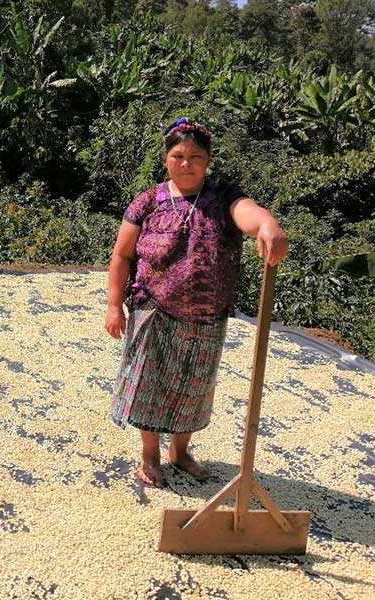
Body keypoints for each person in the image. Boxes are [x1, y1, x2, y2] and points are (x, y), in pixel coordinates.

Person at [104, 117, 288, 488]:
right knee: (149, 386)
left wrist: (267, 224)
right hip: (152, 308)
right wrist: (113, 304)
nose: (186, 163)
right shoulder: (147, 202)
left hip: (206, 316)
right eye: (178, 155)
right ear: (166, 157)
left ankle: (181, 451)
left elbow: (247, 213)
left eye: (195, 156)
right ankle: (151, 454)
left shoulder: (222, 198)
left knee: (194, 388)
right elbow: (122, 255)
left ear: (208, 160)